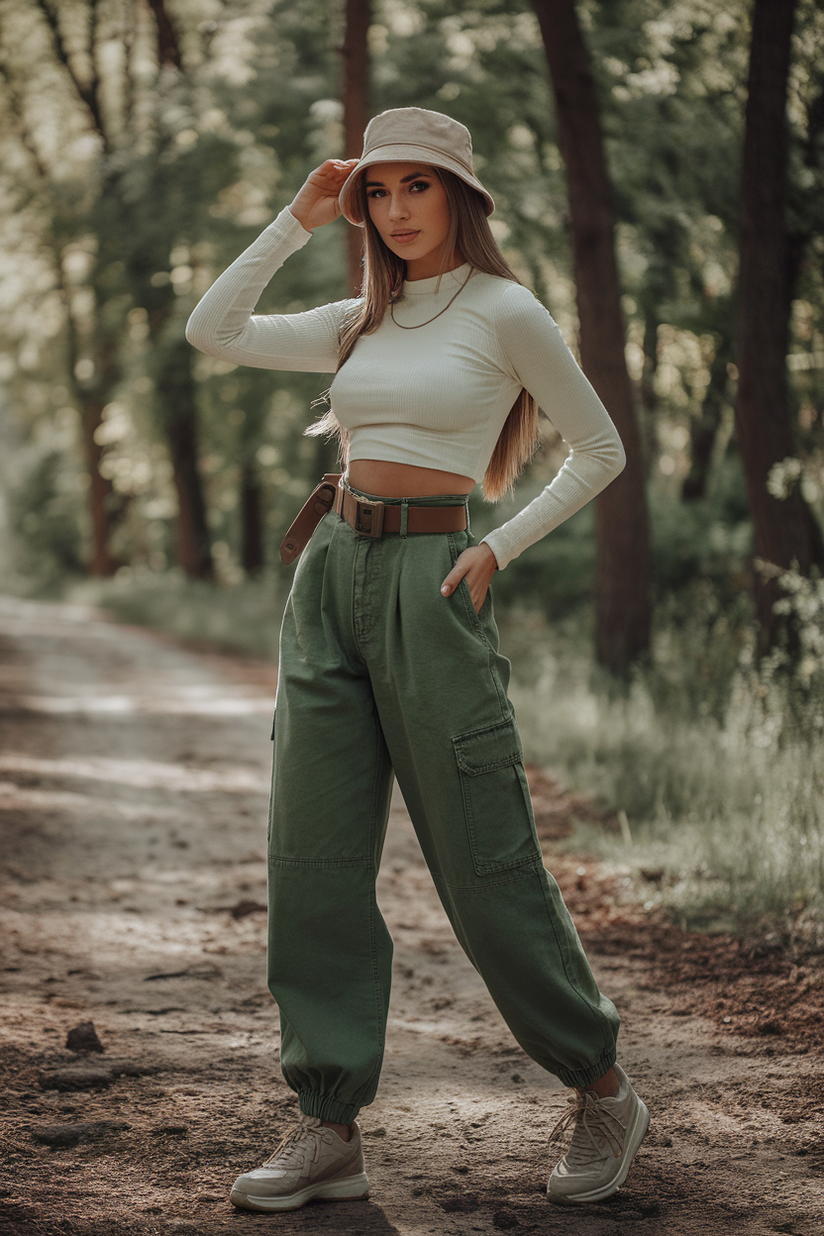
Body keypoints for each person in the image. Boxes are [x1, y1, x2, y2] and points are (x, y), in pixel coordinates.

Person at [186, 106, 649, 1214]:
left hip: (433, 584)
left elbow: (599, 448)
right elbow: (215, 328)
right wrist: (299, 215)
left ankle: (600, 1086)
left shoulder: (505, 310)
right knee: (312, 857)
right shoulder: (357, 321)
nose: (395, 212)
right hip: (329, 577)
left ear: (460, 198)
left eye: (417, 188)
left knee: (483, 861)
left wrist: (496, 545)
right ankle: (327, 1122)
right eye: (376, 193)